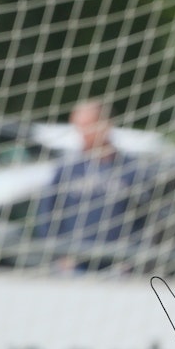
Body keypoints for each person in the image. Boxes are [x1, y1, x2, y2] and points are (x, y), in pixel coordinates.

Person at [35, 100, 146, 272]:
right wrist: (59, 255)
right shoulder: (67, 169)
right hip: (74, 266)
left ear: (106, 125)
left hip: (119, 267)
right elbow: (46, 215)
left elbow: (149, 217)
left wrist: (133, 258)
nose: (83, 134)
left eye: (88, 127)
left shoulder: (132, 169)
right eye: (79, 128)